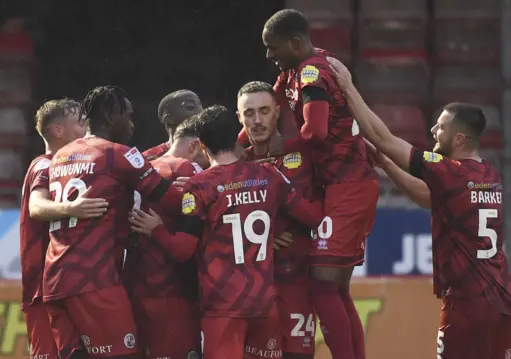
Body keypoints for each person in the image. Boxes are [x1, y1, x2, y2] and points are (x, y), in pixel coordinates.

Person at [327, 56, 511, 359]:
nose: (432, 131)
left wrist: (348, 88)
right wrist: (385, 164)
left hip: (467, 303)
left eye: (440, 127)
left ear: (458, 138)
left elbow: (384, 138)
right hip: (503, 299)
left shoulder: (448, 170)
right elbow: (427, 196)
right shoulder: (489, 175)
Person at [129, 105, 324, 359]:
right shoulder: (269, 175)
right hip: (264, 304)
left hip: (223, 307)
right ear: (236, 138)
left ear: (200, 145)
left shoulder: (200, 186)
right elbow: (312, 217)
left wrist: (156, 230)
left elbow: (183, 250)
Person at [248, 9, 379, 359]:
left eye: (272, 47)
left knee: (322, 285)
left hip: (350, 185)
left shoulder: (313, 74)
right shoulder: (291, 72)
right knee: (337, 289)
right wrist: (234, 150)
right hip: (340, 185)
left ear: (294, 43)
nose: (268, 55)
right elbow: (267, 108)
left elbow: (316, 130)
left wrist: (283, 146)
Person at [43, 86, 182, 359]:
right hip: (94, 280)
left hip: (55, 280)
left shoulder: (61, 156)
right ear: (109, 115)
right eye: (127, 116)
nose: (132, 124)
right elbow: (170, 201)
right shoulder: (119, 154)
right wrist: (202, 191)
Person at [21, 99, 108, 359]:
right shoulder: (45, 164)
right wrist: (73, 209)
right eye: (80, 123)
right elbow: (37, 207)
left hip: (65, 286)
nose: (87, 128)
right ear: (58, 131)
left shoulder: (69, 167)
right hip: (42, 289)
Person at [238, 81, 318, 359]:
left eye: (264, 111)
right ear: (240, 118)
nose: (257, 120)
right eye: (249, 113)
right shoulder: (234, 167)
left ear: (277, 112)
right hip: (248, 291)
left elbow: (316, 215)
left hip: (294, 281)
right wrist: (261, 237)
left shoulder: (303, 156)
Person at [125, 117, 206, 359]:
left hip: (137, 287)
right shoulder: (186, 169)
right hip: (175, 291)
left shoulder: (142, 168)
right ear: (195, 147)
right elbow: (187, 246)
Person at [143, 89, 203, 159]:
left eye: (201, 107)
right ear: (169, 119)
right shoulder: (149, 158)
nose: (201, 111)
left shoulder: (211, 153)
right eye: (190, 107)